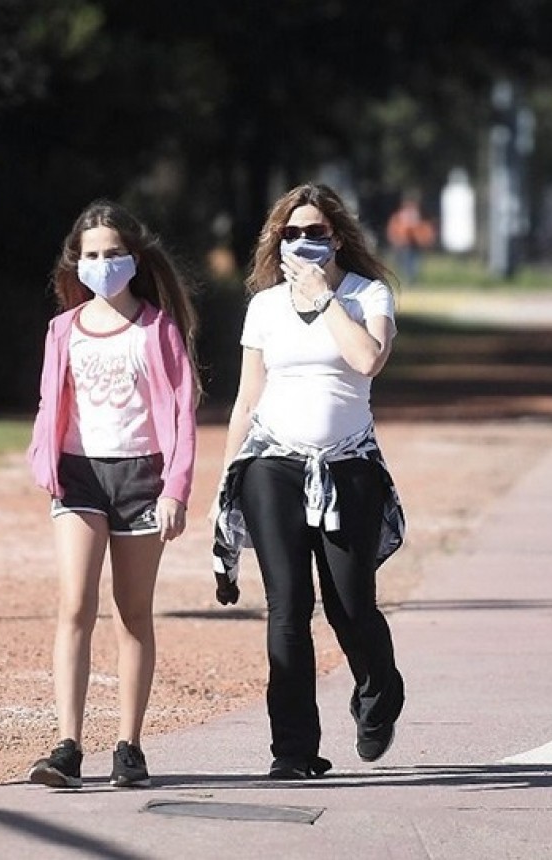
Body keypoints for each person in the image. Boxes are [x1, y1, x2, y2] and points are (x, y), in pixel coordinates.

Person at [212, 183, 406, 780]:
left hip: (349, 466)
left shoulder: (368, 294)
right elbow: (247, 399)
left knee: (350, 606)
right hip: (272, 464)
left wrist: (326, 298)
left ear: (337, 237)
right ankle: (293, 751)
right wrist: (225, 488)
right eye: (290, 234)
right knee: (287, 608)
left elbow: (368, 359)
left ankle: (379, 693)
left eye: (315, 232)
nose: (302, 242)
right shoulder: (265, 306)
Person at [26, 200, 199, 789]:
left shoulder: (158, 329)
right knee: (75, 604)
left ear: (134, 258)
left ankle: (129, 747)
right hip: (79, 475)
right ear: (77, 262)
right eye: (92, 255)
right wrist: (43, 460)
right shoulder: (63, 330)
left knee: (132, 612)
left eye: (114, 253)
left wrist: (175, 490)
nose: (103, 264)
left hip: (141, 477)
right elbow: (50, 402)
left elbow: (182, 415)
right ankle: (67, 746)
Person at [386, 192, 435, 284]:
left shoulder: (415, 215)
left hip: (413, 244)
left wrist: (424, 239)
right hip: (402, 243)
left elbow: (421, 228)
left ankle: (410, 280)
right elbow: (395, 228)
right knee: (404, 263)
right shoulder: (401, 215)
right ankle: (406, 279)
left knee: (412, 263)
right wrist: (396, 239)